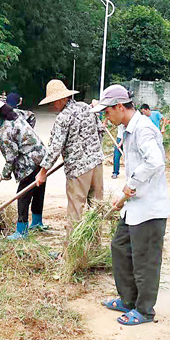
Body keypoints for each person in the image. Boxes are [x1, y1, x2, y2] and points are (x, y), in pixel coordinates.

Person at [91, 85, 170, 326]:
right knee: (120, 247)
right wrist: (125, 196)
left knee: (144, 260)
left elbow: (155, 161)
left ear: (119, 106)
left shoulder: (144, 129)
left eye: (107, 112)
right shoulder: (128, 129)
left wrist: (130, 185)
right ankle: (128, 299)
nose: (107, 117)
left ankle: (144, 310)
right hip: (134, 205)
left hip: (149, 207)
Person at [35, 79, 104, 233]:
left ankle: (72, 252)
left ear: (61, 99)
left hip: (78, 170)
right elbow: (101, 130)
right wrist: (93, 151)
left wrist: (42, 172)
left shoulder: (63, 118)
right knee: (96, 209)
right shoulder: (86, 107)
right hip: (97, 164)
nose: (53, 106)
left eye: (53, 102)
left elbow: (55, 147)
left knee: (75, 210)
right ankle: (93, 248)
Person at [0, 96, 47, 240]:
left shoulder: (4, 131)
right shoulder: (16, 114)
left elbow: (11, 158)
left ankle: (21, 231)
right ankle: (37, 221)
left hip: (28, 162)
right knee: (38, 188)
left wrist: (5, 174)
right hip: (41, 155)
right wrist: (26, 136)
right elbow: (31, 116)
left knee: (22, 195)